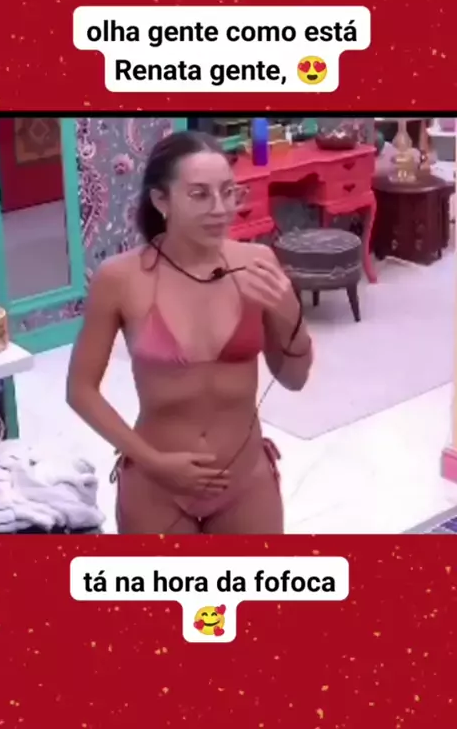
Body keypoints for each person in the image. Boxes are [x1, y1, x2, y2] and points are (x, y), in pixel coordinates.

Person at [66, 130, 313, 534]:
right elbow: (80, 391)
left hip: (245, 479)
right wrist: (153, 462)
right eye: (200, 194)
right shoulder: (120, 279)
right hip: (155, 482)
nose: (220, 208)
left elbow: (294, 379)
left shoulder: (258, 263)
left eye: (229, 192)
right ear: (161, 200)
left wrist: (289, 313)